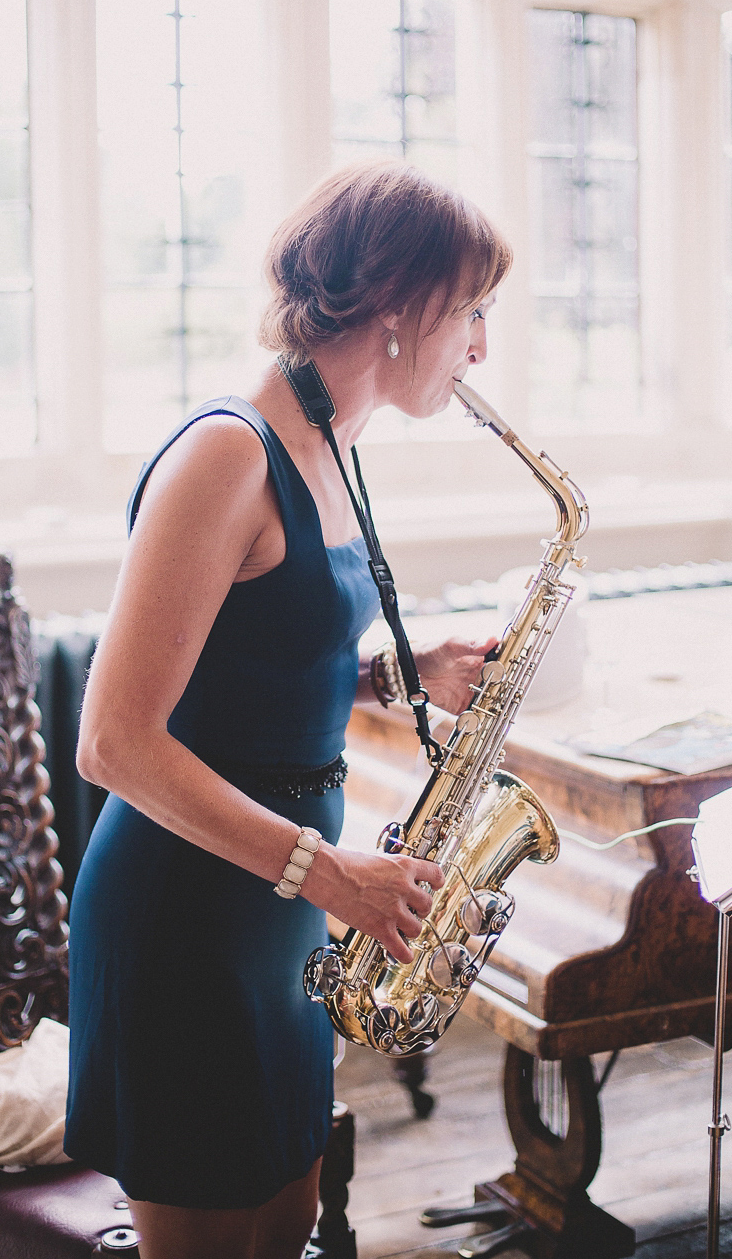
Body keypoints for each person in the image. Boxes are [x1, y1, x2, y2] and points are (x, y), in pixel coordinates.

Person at [64, 160, 512, 1259]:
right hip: (187, 914)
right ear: (402, 309)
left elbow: (248, 661)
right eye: (474, 312)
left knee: (286, 1222)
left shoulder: (332, 444)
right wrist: (332, 874)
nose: (482, 347)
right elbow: (114, 742)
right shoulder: (229, 452)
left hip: (276, 906)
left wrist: (398, 678)